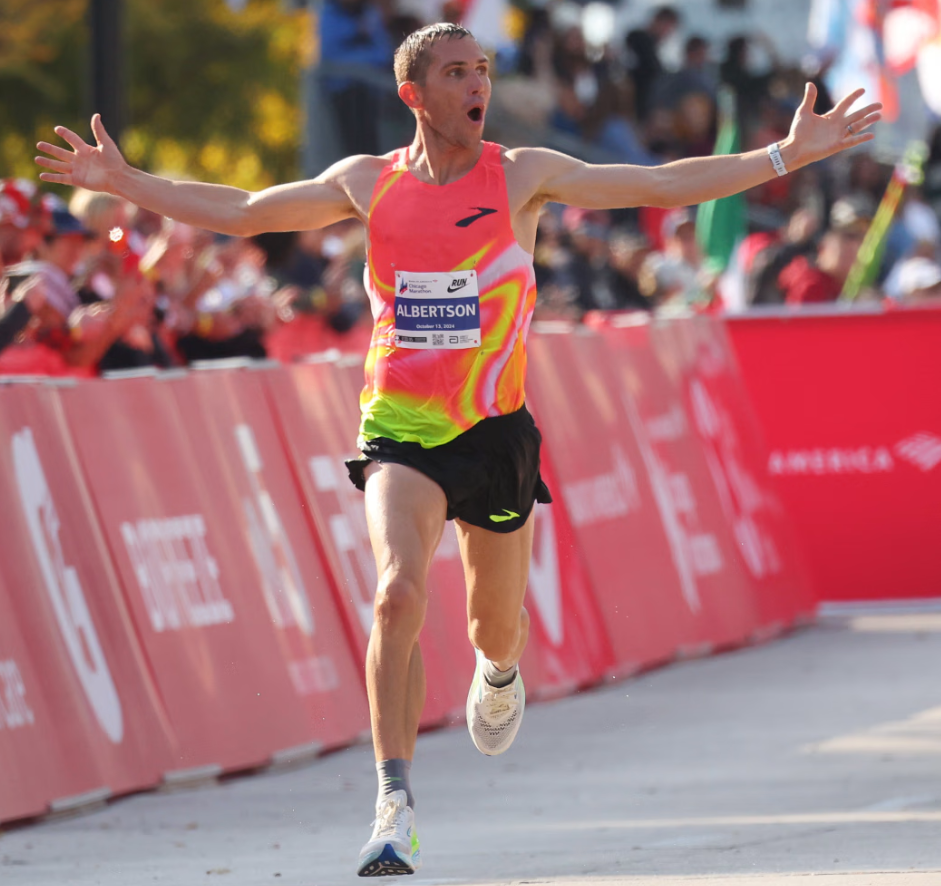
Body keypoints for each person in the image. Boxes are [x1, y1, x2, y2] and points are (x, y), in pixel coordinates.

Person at [36, 22, 880, 877]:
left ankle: (501, 670)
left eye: (482, 70)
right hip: (399, 432)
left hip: (495, 433)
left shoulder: (521, 176)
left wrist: (782, 158)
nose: (477, 85)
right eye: (457, 73)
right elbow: (245, 211)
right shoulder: (367, 184)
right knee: (396, 595)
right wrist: (126, 183)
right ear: (414, 95)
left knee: (494, 628)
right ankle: (392, 802)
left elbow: (657, 184)